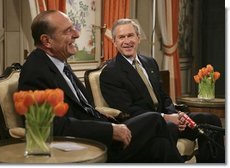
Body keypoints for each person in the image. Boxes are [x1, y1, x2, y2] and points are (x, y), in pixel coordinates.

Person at [18, 10, 183, 163]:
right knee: (154, 120)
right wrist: (110, 131)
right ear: (46, 41)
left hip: (98, 133)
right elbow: (49, 126)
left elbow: (85, 108)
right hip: (84, 146)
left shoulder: (59, 64)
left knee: (160, 145)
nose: (76, 34)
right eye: (68, 31)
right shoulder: (36, 71)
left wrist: (109, 124)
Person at [99, 18, 225, 163]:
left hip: (168, 117)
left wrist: (175, 114)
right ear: (114, 42)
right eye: (121, 37)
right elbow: (128, 110)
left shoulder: (150, 62)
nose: (127, 41)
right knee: (170, 126)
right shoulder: (110, 73)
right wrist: (166, 117)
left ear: (138, 38)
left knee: (211, 120)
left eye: (130, 35)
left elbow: (163, 96)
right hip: (144, 126)